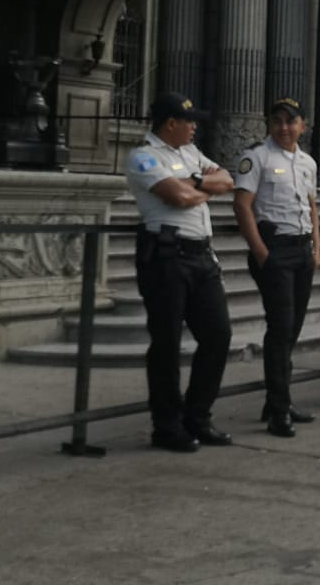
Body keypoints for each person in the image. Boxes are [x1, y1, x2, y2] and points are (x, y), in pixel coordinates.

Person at [125, 92, 235, 453]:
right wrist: (201, 187)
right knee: (167, 345)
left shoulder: (190, 154)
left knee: (218, 336)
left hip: (202, 256)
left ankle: (197, 417)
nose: (194, 128)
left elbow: (228, 179)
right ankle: (167, 425)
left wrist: (193, 184)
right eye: (189, 121)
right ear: (170, 123)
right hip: (167, 256)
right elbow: (179, 198)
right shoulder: (143, 156)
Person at [233, 97, 320, 438]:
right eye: (277, 121)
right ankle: (278, 410)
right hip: (275, 250)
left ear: (303, 125)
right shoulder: (256, 158)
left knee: (293, 327)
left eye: (290, 121)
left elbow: (311, 206)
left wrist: (316, 246)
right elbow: (242, 205)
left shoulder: (308, 163)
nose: (284, 127)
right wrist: (261, 252)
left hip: (301, 250)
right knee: (280, 327)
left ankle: (277, 398)